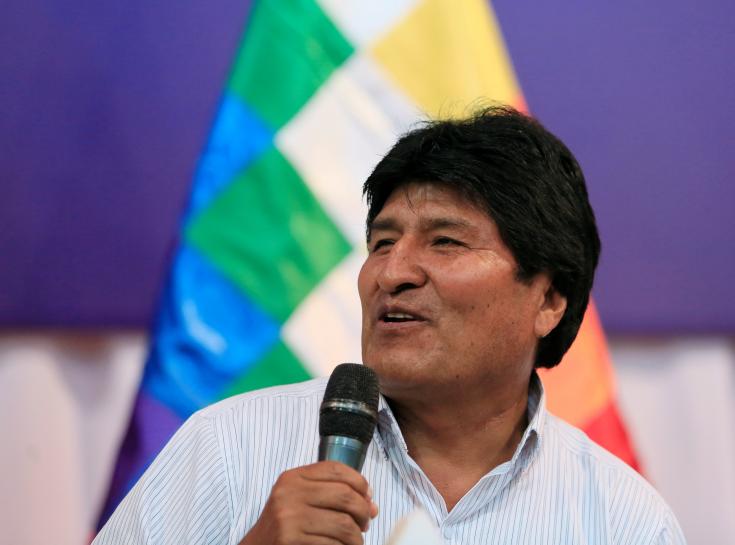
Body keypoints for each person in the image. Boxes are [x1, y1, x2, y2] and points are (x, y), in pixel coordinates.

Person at [94, 106, 686, 544]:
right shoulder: (230, 448)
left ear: (549, 299)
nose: (392, 272)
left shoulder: (622, 519)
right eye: (382, 243)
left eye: (446, 242)